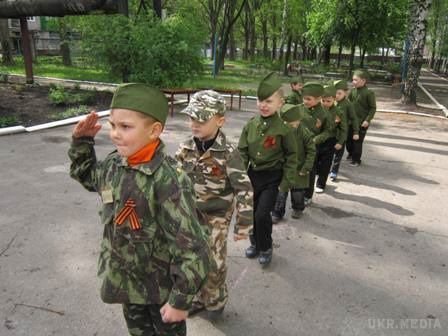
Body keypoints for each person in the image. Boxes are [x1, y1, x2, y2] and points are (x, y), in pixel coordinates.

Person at [68, 83, 209, 336]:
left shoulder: (168, 180)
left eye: (125, 127)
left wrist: (181, 299)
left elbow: (191, 245)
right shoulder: (115, 163)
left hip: (161, 289)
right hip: (128, 282)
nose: (114, 134)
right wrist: (82, 143)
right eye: (112, 125)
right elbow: (91, 178)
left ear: (154, 130)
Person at [176, 90, 253, 320]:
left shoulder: (229, 154)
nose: (194, 124)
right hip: (190, 213)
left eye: (201, 119)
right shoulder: (186, 147)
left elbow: (244, 189)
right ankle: (199, 298)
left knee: (214, 261)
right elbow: (175, 178)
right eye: (191, 118)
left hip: (217, 214)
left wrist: (243, 226)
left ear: (220, 121)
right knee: (191, 258)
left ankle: (215, 300)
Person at [238, 72, 298, 267]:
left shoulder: (284, 129)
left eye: (269, 101)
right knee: (250, 212)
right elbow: (243, 151)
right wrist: (238, 175)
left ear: (280, 104)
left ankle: (266, 247)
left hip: (273, 178)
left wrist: (285, 183)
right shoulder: (251, 125)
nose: (263, 105)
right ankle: (255, 243)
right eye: (260, 100)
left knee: (262, 214)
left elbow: (291, 156)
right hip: (253, 176)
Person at [271, 104, 316, 221]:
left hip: (299, 168)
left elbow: (311, 150)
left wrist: (306, 167)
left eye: (295, 124)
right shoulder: (278, 131)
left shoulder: (303, 132)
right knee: (281, 192)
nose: (293, 126)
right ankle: (277, 212)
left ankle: (298, 208)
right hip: (284, 168)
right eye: (289, 124)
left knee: (298, 193)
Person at [299, 82, 334, 202]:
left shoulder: (325, 114)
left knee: (309, 171)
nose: (305, 101)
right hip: (296, 146)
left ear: (319, 98)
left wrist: (315, 140)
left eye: (308, 99)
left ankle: (307, 196)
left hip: (312, 148)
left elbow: (328, 131)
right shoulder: (299, 109)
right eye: (304, 98)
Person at [318, 84, 346, 191]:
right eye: (323, 101)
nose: (325, 103)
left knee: (326, 163)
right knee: (315, 162)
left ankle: (321, 184)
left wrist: (340, 141)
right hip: (317, 140)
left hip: (330, 141)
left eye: (328, 101)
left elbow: (343, 129)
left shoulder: (338, 112)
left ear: (334, 99)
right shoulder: (317, 110)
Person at [329, 79, 358, 181]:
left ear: (346, 93)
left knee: (338, 154)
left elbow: (354, 118)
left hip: (342, 133)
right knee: (329, 152)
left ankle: (334, 171)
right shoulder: (331, 102)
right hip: (330, 132)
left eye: (339, 93)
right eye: (335, 93)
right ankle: (327, 168)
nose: (336, 95)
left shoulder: (348, 104)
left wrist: (355, 132)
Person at [346, 69, 376, 166]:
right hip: (351, 122)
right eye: (353, 80)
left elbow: (373, 108)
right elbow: (347, 103)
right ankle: (351, 153)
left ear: (363, 81)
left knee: (357, 142)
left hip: (362, 122)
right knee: (348, 140)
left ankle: (356, 159)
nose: (353, 82)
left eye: (355, 80)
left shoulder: (369, 93)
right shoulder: (352, 91)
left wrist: (367, 120)